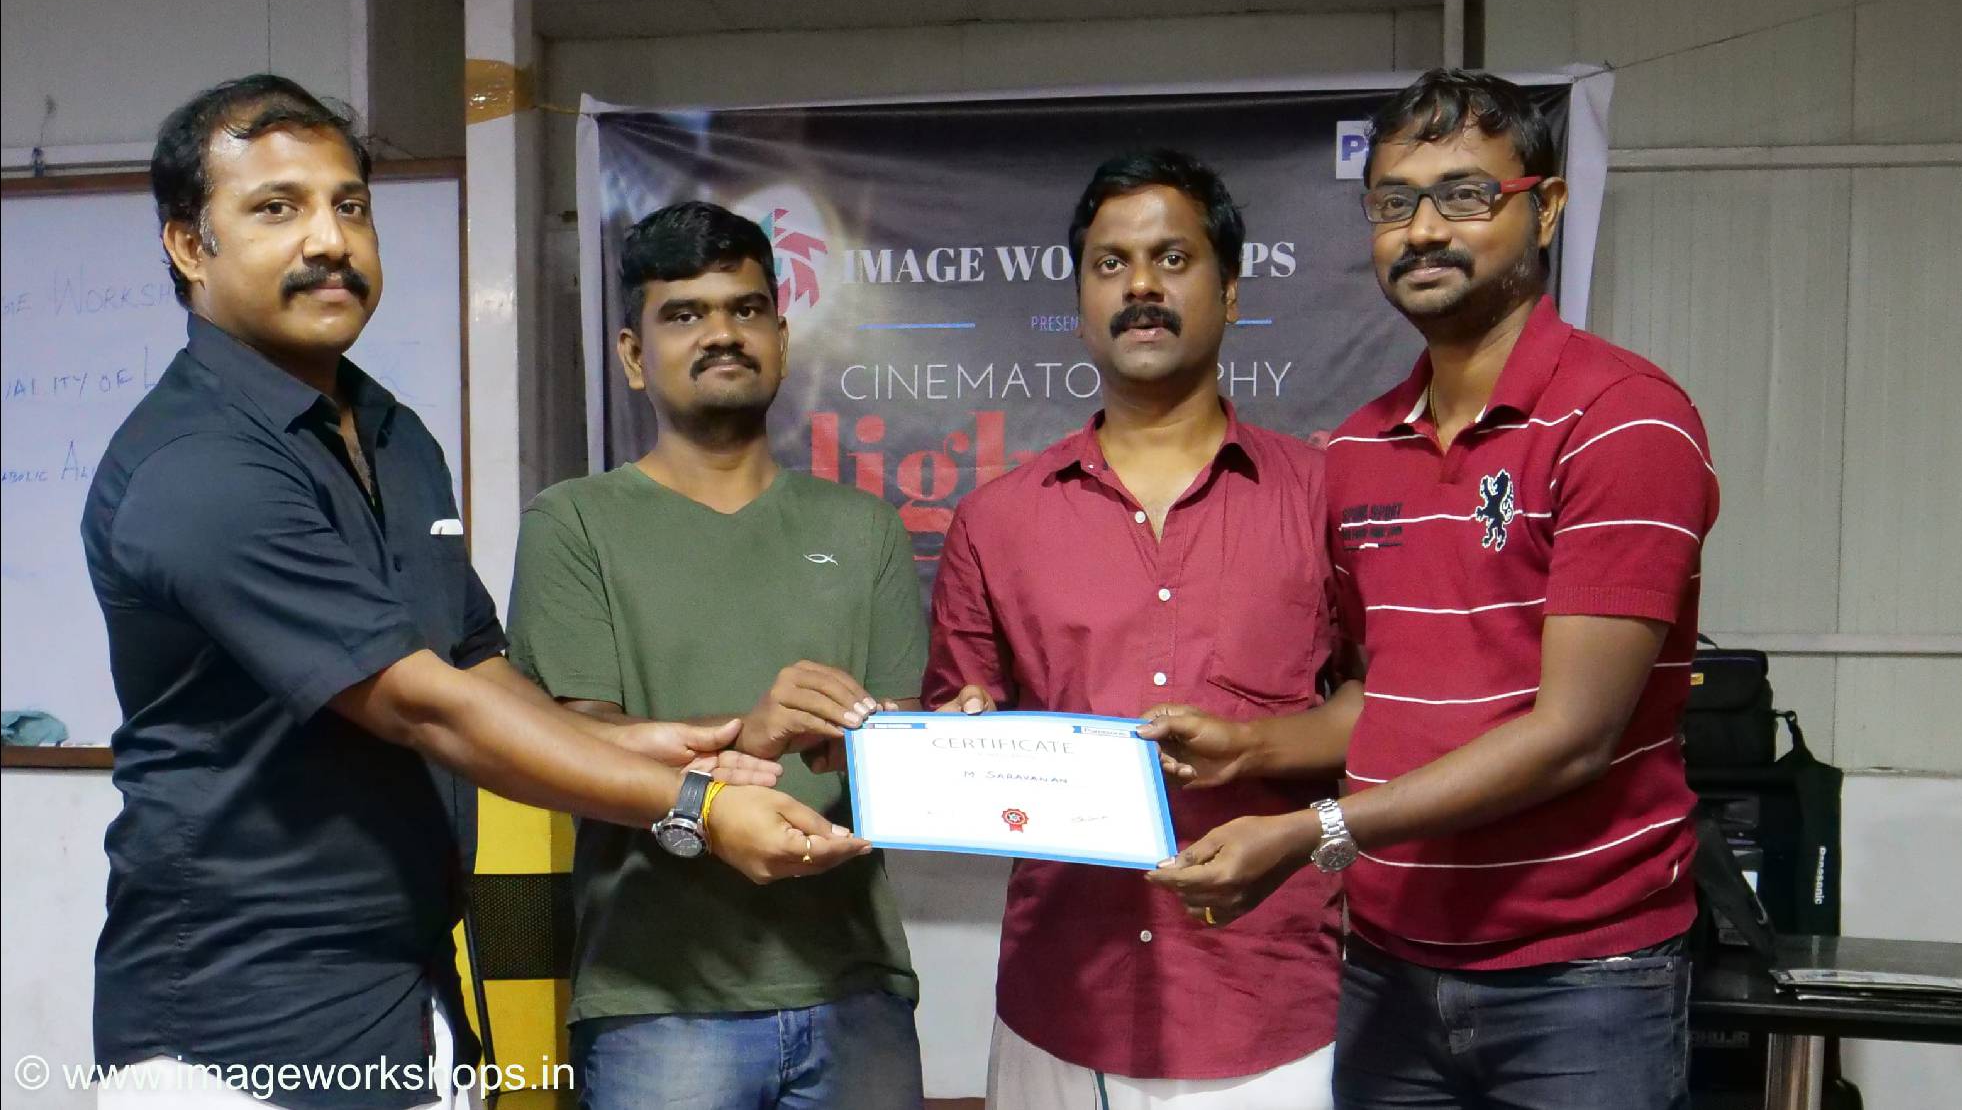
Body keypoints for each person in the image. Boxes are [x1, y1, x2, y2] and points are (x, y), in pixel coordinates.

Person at [82, 76, 863, 1110]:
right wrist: (697, 807)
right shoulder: (199, 465)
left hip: (407, 989)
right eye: (276, 207)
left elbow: (473, 667)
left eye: (349, 204)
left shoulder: (392, 433)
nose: (329, 239)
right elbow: (420, 704)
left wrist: (665, 744)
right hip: (236, 1019)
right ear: (191, 244)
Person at [1145, 69, 1718, 1109]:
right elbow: (1384, 694)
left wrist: (1315, 831)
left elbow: (1571, 734)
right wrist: (1252, 747)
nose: (1421, 231)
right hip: (1389, 964)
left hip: (1582, 979)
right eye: (1393, 202)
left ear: (1545, 207)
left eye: (1464, 195)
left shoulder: (1624, 420)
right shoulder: (1359, 448)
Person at [926, 150, 1341, 1109]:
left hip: (1269, 1004)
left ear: (1230, 291)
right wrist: (966, 740)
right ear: (1079, 304)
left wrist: (1252, 747)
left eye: (1172, 259)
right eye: (1111, 264)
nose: (1141, 286)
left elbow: (1385, 707)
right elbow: (961, 718)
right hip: (1063, 1003)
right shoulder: (997, 520)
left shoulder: (1324, 497)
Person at [505, 201, 928, 1108]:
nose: (722, 333)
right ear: (633, 355)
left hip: (855, 985)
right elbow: (569, 741)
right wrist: (754, 733)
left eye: (745, 309)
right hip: (659, 998)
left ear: (781, 337)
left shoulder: (866, 529)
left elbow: (901, 748)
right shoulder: (574, 524)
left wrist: (954, 740)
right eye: (685, 314)